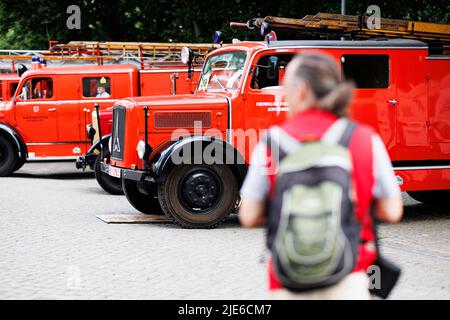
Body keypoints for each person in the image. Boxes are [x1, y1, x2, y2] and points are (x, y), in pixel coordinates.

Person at [239, 52, 403, 300]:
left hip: (288, 281)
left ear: (302, 91)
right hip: (349, 275)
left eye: (286, 89)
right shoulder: (364, 138)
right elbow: (392, 211)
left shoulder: (272, 142)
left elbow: (249, 215)